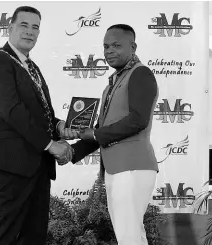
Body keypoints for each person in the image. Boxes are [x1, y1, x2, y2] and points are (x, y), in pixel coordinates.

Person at [0, 6, 77, 245]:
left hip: (39, 168)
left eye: (35, 28)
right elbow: (12, 111)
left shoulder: (32, 68)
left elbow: (40, 115)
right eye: (24, 25)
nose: (30, 32)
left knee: (34, 237)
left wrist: (59, 127)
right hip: (11, 166)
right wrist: (50, 144)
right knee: (1, 236)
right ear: (10, 27)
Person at [67, 24, 159, 245]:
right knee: (133, 235)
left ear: (133, 46)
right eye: (106, 46)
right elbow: (101, 130)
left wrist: (95, 134)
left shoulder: (140, 74)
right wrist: (71, 151)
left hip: (132, 166)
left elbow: (138, 120)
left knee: (128, 236)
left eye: (117, 45)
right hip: (119, 168)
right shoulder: (111, 84)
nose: (109, 51)